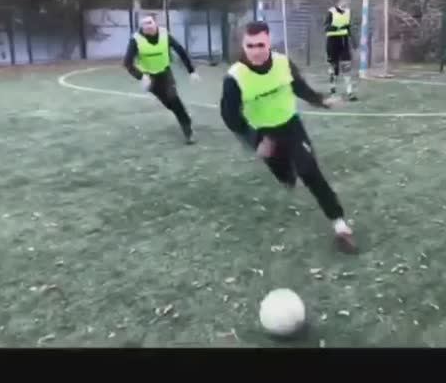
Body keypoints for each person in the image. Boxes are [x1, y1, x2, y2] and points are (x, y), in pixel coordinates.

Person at [220, 21, 357, 253]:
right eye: (250, 46)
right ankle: (287, 177)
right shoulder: (234, 77)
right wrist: (255, 140)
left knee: (310, 171)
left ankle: (340, 225)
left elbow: (299, 87)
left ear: (269, 42)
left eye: (260, 45)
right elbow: (230, 116)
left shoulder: (283, 63)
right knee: (285, 176)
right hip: (264, 135)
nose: (255, 51)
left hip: (291, 126)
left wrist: (321, 100)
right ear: (243, 45)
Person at [123, 15, 201, 145]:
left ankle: (188, 129)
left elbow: (180, 51)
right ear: (141, 27)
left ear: (156, 23)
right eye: (145, 24)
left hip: (165, 73)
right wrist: (141, 76)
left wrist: (191, 71)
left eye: (150, 22)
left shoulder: (165, 35)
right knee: (168, 104)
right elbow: (127, 63)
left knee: (173, 98)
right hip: (149, 77)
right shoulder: (135, 40)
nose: (148, 26)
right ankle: (184, 116)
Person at [324, 0, 357, 101]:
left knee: (346, 66)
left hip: (344, 42)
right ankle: (332, 90)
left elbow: (348, 27)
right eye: (344, 1)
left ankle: (350, 92)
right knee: (334, 68)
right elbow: (326, 27)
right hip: (332, 43)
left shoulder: (348, 12)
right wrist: (337, 27)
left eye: (348, 2)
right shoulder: (331, 12)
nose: (347, 3)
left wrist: (353, 40)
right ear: (339, 2)